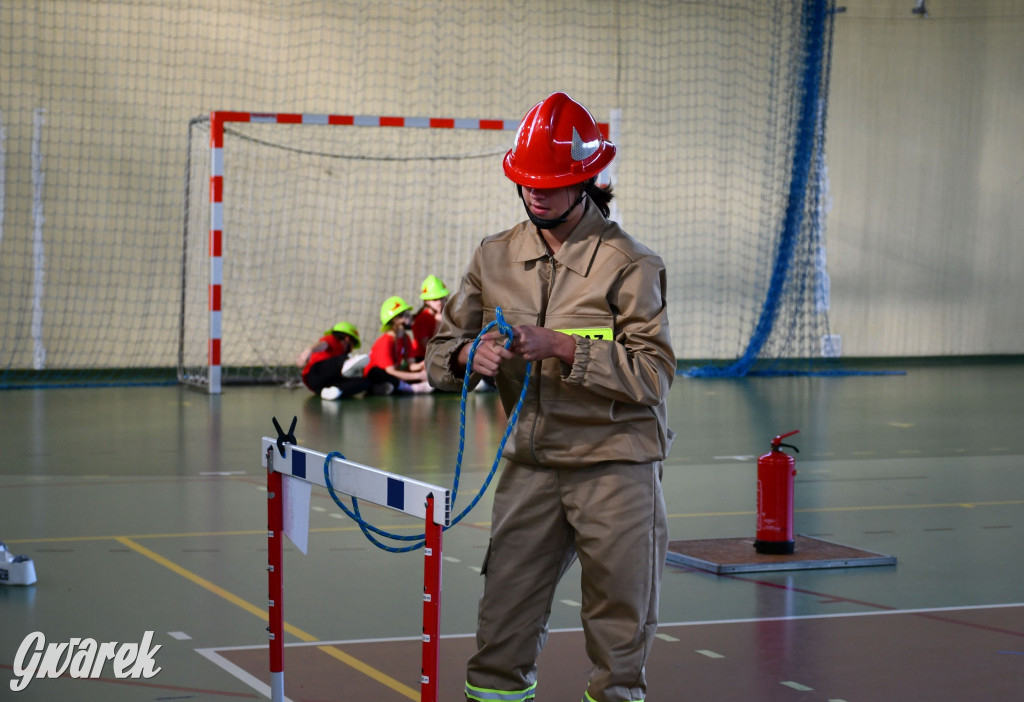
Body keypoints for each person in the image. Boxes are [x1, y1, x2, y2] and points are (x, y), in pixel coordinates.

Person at [425, 92, 676, 702]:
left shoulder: (630, 264)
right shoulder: (494, 257)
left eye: (552, 181)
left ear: (586, 178)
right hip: (530, 466)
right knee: (500, 631)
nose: (536, 192)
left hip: (614, 466)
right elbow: (439, 353)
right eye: (526, 180)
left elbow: (654, 373)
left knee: (619, 637)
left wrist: (566, 347)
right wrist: (466, 357)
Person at [297, 322, 393, 400]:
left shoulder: (340, 351)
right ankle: (346, 363)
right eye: (353, 344)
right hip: (315, 374)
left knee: (365, 382)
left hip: (319, 387)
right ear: (347, 339)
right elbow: (323, 344)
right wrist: (309, 350)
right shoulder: (333, 340)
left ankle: (334, 391)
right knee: (344, 358)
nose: (351, 348)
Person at [365, 295, 433, 394]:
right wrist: (418, 376)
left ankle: (391, 387)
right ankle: (409, 388)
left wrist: (422, 366)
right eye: (408, 315)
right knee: (377, 373)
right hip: (380, 375)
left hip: (394, 374)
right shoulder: (385, 341)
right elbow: (390, 371)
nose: (411, 318)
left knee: (426, 374)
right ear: (399, 319)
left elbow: (410, 365)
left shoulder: (406, 338)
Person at [411, 274, 450, 361]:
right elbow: (429, 348)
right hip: (423, 359)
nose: (439, 302)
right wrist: (438, 323)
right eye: (435, 299)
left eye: (442, 298)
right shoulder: (422, 319)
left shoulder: (445, 315)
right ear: (427, 301)